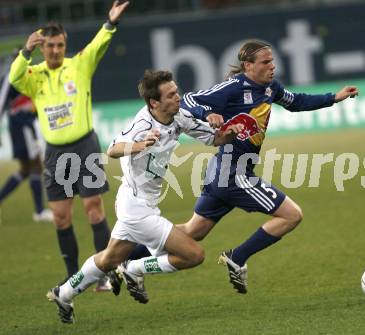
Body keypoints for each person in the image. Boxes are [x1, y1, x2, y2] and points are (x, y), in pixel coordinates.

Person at [46, 69, 243, 323]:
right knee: (194, 255)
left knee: (109, 258)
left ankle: (63, 293)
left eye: (176, 91)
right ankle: (134, 268)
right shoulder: (143, 124)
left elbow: (216, 139)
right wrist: (141, 145)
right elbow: (113, 150)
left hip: (138, 202)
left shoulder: (178, 117)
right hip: (136, 208)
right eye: (171, 95)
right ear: (154, 102)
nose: (178, 97)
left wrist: (231, 131)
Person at [175, 39, 360, 294]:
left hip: (224, 172)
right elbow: (187, 100)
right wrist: (207, 114)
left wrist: (334, 98)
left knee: (191, 232)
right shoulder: (233, 87)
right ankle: (237, 257)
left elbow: (296, 102)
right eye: (265, 62)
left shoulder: (270, 87)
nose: (272, 66)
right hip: (233, 174)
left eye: (272, 61)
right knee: (291, 215)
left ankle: (129, 252)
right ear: (248, 65)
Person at [8, 0, 129, 289]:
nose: (54, 51)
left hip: (84, 146)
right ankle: (75, 277)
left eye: (59, 45)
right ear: (42, 47)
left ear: (65, 45)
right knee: (61, 218)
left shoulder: (79, 65)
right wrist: (25, 51)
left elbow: (99, 43)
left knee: (94, 209)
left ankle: (105, 273)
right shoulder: (34, 75)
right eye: (49, 46)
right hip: (55, 153)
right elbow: (13, 77)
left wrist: (110, 22)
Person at [0, 69, 53, 222]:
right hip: (22, 126)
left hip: (20, 125)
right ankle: (39, 211)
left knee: (25, 169)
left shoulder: (24, 77)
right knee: (36, 165)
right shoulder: (14, 78)